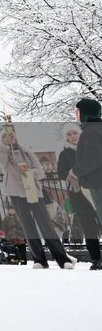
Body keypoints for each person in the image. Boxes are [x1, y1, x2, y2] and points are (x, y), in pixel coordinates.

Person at [0, 120, 73, 269]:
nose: (10, 138)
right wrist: (4, 145)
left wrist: (30, 173)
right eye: (6, 136)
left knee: (46, 225)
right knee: (28, 227)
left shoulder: (26, 152)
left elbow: (40, 170)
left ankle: (63, 259)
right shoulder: (3, 153)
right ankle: (39, 260)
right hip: (16, 193)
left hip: (34, 191)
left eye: (12, 136)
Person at [66, 96, 102, 270]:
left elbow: (94, 158)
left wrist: (75, 171)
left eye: (78, 111)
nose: (76, 115)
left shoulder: (90, 132)